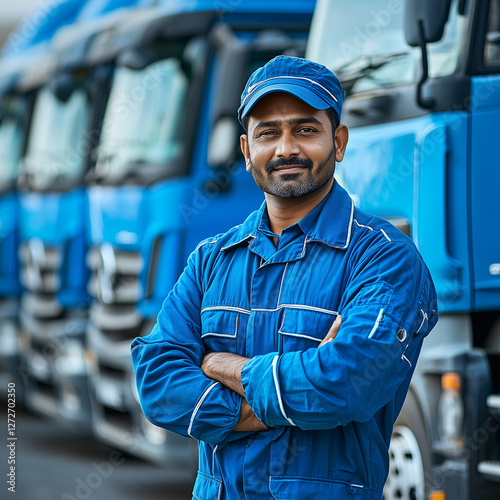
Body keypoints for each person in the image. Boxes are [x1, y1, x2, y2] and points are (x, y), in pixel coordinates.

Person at [131, 55, 438, 500]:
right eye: (268, 133)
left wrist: (221, 366)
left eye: (306, 129)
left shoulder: (384, 258)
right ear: (245, 150)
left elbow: (346, 383)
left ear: (339, 141)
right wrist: (294, 395)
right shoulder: (211, 260)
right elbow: (157, 383)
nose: (285, 149)